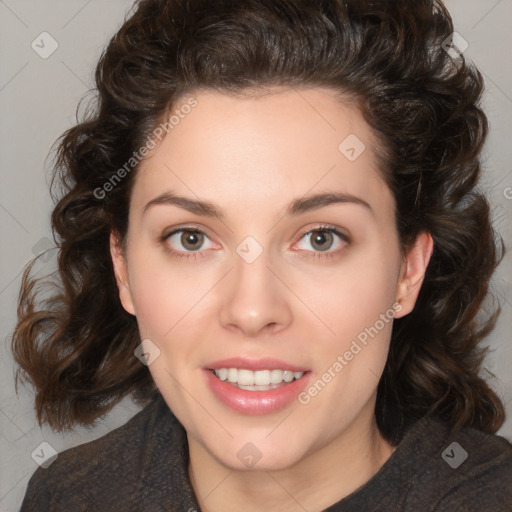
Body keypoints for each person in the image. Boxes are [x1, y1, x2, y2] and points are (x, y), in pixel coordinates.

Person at [11, 0, 512, 510]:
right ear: (123, 268)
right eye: (191, 238)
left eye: (321, 238)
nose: (252, 310)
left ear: (408, 270)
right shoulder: (68, 497)